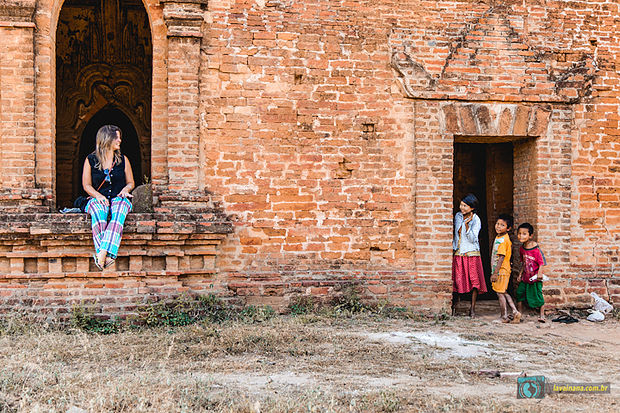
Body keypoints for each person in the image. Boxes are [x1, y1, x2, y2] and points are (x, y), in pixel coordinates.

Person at [82, 125, 134, 270]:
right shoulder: (90, 160)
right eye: (116, 137)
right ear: (107, 139)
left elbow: (131, 182)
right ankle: (109, 255)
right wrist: (98, 196)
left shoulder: (123, 160)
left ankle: (102, 252)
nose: (120, 140)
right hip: (98, 198)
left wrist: (125, 189)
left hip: (119, 197)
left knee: (120, 210)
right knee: (99, 210)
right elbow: (86, 185)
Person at [452, 193, 487, 317]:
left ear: (472, 208)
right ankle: (455, 305)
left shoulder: (476, 219)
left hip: (471, 252)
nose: (462, 208)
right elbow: (456, 234)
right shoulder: (457, 216)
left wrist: (467, 225)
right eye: (461, 205)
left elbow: (473, 238)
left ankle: (472, 308)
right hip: (458, 252)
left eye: (465, 206)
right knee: (457, 280)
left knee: (474, 282)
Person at [490, 214, 521, 323]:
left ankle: (504, 316)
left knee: (500, 293)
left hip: (501, 271)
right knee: (503, 292)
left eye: (502, 225)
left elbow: (501, 258)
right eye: (497, 224)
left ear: (508, 228)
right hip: (501, 270)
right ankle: (515, 312)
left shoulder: (503, 240)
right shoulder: (499, 237)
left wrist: (495, 273)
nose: (498, 226)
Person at [515, 222, 547, 323]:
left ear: (530, 235)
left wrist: (540, 273)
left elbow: (541, 262)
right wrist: (520, 274)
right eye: (519, 233)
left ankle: (542, 315)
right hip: (525, 277)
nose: (521, 236)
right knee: (519, 293)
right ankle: (519, 313)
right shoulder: (522, 249)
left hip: (535, 277)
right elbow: (523, 263)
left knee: (538, 295)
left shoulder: (535, 249)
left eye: (524, 234)